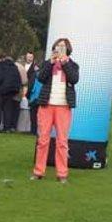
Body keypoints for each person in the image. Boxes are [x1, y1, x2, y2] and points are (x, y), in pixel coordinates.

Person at [32, 37, 79, 183]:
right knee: (43, 140)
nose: (59, 48)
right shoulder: (48, 63)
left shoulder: (72, 65)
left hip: (63, 107)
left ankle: (62, 173)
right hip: (47, 105)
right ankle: (39, 171)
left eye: (63, 46)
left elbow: (74, 79)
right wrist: (51, 63)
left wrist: (64, 62)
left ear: (67, 49)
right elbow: (40, 78)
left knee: (62, 141)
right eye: (58, 46)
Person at [0, 53, 21, 132]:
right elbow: (18, 80)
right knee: (8, 110)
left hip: (1, 91)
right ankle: (7, 127)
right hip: (11, 92)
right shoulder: (15, 67)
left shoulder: (1, 66)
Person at [24, 52, 40, 135]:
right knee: (38, 116)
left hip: (34, 97)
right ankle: (37, 131)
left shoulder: (34, 75)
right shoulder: (43, 75)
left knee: (33, 115)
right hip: (40, 97)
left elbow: (30, 86)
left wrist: (27, 95)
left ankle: (33, 131)